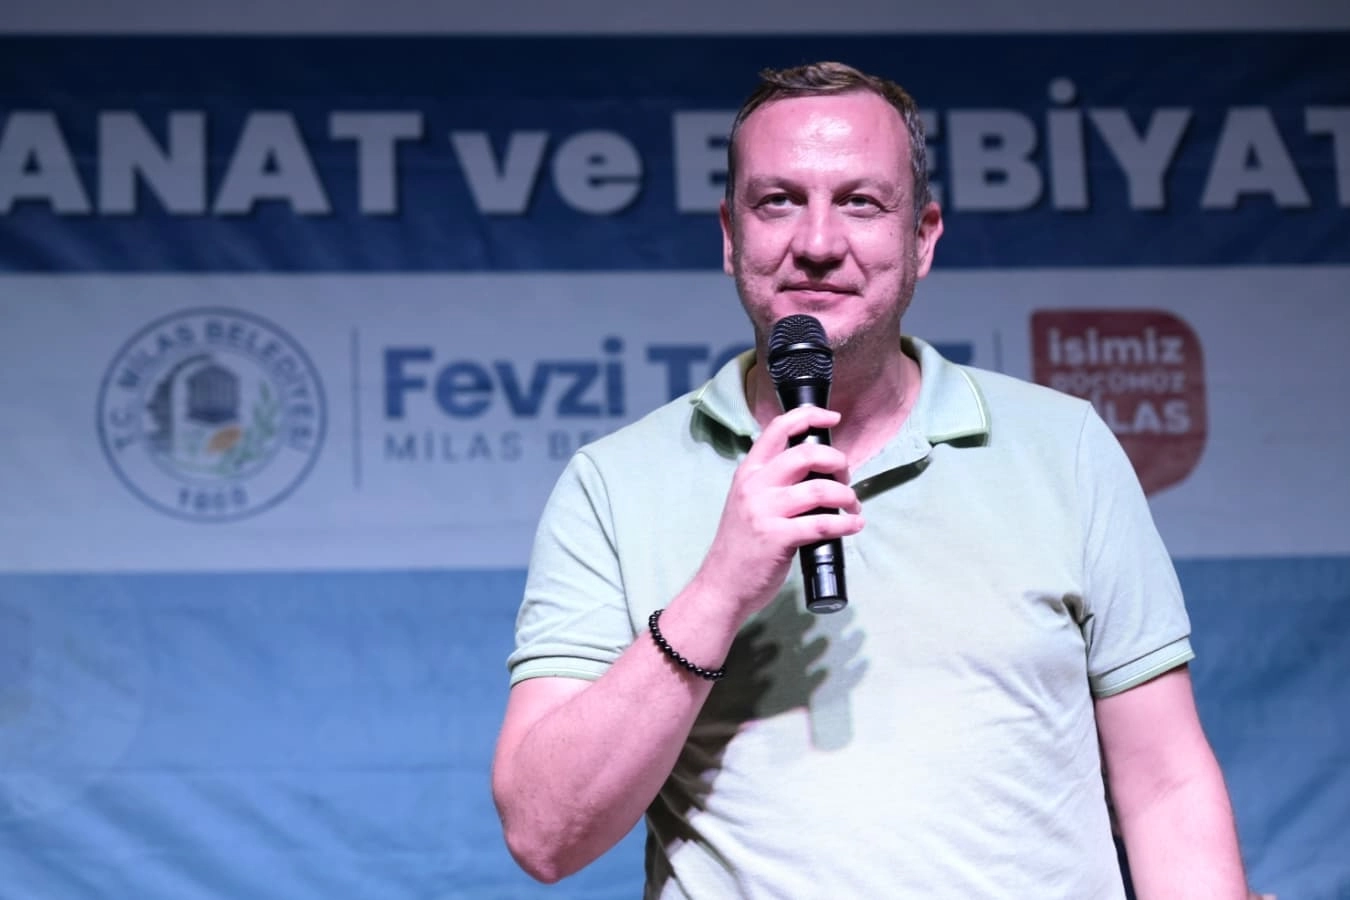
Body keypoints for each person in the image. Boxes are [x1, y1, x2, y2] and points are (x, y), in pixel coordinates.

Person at [491, 61, 1253, 898]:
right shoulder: (613, 483)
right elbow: (544, 834)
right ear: (730, 234)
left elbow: (1166, 787)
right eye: (778, 201)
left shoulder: (1064, 447)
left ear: (922, 236)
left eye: (860, 202)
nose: (818, 243)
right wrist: (718, 592)